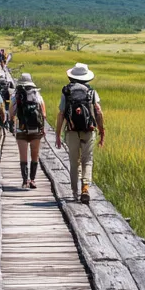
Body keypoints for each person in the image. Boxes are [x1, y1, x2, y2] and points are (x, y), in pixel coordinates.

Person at [55, 62, 105, 205]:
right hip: (88, 131)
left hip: (71, 131)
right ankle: (85, 188)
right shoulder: (92, 92)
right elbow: (98, 112)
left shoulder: (66, 91)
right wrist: (102, 131)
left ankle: (74, 193)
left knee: (73, 162)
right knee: (87, 160)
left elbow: (61, 114)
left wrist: (58, 134)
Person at [9, 73, 47, 189]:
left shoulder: (16, 96)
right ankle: (33, 180)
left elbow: (11, 114)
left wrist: (12, 124)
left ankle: (25, 181)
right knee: (35, 154)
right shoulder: (37, 95)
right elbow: (44, 114)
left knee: (23, 155)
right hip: (36, 129)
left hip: (21, 129)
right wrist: (42, 128)